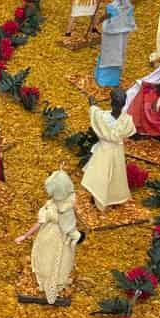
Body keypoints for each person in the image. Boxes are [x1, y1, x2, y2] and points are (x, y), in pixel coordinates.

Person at [14, 169, 82, 303]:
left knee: (50, 258)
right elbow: (70, 222)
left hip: (51, 236)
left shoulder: (53, 207)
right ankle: (56, 280)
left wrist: (25, 236)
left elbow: (39, 223)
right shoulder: (68, 203)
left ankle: (52, 281)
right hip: (60, 235)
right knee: (57, 258)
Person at [80, 88, 136, 211]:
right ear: (124, 104)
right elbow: (131, 131)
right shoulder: (127, 121)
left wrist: (92, 103)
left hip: (103, 150)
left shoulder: (102, 117)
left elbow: (95, 113)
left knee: (100, 174)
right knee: (116, 175)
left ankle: (99, 197)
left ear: (111, 102)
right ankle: (114, 198)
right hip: (117, 151)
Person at [93, 0, 135, 88]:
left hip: (111, 36)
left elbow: (106, 17)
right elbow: (129, 22)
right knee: (118, 55)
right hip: (122, 36)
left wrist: (99, 21)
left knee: (108, 55)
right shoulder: (130, 8)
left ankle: (103, 80)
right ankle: (113, 80)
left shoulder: (112, 7)